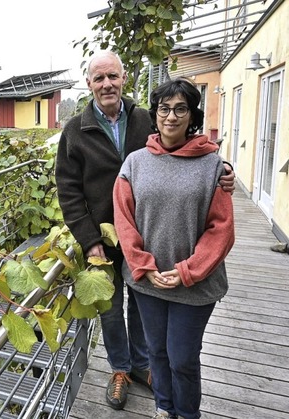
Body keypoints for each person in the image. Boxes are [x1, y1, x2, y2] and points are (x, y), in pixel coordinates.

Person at [55, 50, 235, 410]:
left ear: (123, 79)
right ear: (89, 83)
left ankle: (144, 365)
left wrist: (222, 169)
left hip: (150, 233)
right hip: (104, 239)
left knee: (142, 306)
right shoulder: (76, 129)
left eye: (113, 76)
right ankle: (121, 369)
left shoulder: (145, 118)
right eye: (98, 78)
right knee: (110, 310)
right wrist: (90, 240)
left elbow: (181, 150)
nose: (106, 84)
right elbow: (68, 189)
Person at [112, 77, 235, 419]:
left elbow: (221, 229)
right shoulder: (135, 163)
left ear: (192, 115)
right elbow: (124, 220)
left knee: (182, 358)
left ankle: (187, 413)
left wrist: (186, 272)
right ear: (155, 114)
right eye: (164, 108)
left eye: (181, 109)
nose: (171, 116)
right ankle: (164, 407)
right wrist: (144, 266)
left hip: (195, 284)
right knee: (156, 352)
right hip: (147, 281)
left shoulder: (213, 166)